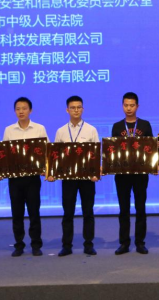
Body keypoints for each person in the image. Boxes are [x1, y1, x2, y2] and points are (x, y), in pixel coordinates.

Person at [0, 97, 48, 257]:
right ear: (15, 111)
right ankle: (19, 245)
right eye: (18, 109)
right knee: (17, 213)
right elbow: (4, 154)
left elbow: (46, 152)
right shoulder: (9, 130)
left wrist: (46, 169)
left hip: (33, 178)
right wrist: (0, 171)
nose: (21, 111)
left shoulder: (39, 128)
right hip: (15, 179)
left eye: (24, 108)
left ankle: (36, 244)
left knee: (34, 212)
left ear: (30, 110)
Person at [50, 96, 99, 257]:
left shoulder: (91, 130)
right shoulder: (61, 131)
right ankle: (66, 245)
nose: (76, 110)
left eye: (79, 107)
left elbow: (96, 155)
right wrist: (53, 173)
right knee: (68, 212)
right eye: (73, 107)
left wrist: (95, 173)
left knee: (88, 212)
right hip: (68, 179)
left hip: (87, 178)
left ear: (83, 109)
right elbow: (55, 156)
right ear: (67, 110)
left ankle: (88, 244)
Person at [111, 92, 153, 255]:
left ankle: (140, 242)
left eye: (132, 105)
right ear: (122, 106)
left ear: (137, 106)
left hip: (141, 174)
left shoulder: (145, 125)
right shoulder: (117, 126)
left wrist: (153, 166)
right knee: (124, 209)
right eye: (126, 105)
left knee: (140, 208)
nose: (129, 108)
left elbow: (151, 148)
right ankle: (124, 243)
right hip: (122, 174)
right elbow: (112, 150)